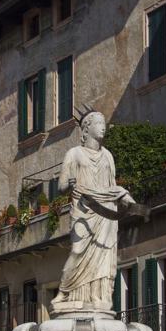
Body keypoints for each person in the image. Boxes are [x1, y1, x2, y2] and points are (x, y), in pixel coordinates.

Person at [51, 111, 145, 314]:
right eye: (99, 123)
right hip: (84, 210)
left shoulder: (108, 156)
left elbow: (112, 186)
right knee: (77, 251)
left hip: (106, 212)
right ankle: (64, 292)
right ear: (86, 128)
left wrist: (127, 200)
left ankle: (98, 296)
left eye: (104, 123)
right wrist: (70, 184)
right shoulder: (74, 154)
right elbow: (60, 187)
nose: (104, 127)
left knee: (103, 254)